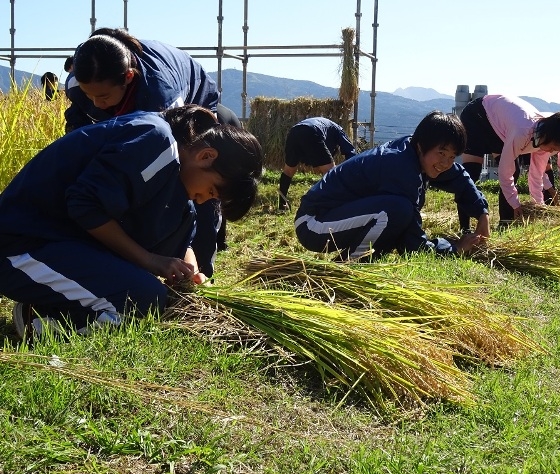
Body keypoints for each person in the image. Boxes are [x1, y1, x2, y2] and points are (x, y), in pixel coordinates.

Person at [0, 105, 262, 340]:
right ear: (206, 156)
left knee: (149, 297)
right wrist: (148, 259)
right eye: (213, 191)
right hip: (21, 245)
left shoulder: (178, 180)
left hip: (59, 245)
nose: (205, 200)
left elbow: (181, 238)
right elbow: (85, 205)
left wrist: (191, 273)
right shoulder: (156, 140)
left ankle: (61, 300)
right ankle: (43, 318)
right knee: (142, 301)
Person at [64, 28, 242, 277]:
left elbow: (167, 164)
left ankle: (197, 274)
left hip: (194, 103)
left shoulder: (159, 97)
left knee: (198, 190)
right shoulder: (81, 82)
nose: (96, 104)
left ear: (127, 77)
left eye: (103, 96)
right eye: (88, 95)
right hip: (135, 109)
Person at [294, 111, 489, 261]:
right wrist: (455, 248)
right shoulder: (400, 167)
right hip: (313, 223)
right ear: (422, 145)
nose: (446, 163)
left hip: (331, 218)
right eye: (442, 153)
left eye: (452, 157)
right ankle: (347, 268)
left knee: (396, 219)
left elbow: (460, 176)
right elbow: (415, 243)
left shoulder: (415, 152)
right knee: (397, 211)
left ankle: (351, 263)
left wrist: (482, 213)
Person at [458, 94, 560, 225]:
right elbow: (505, 173)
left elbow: (537, 174)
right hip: (477, 116)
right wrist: (515, 204)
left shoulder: (547, 137)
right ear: (548, 137)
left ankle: (506, 222)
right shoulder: (523, 132)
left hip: (500, 129)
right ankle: (465, 227)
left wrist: (539, 206)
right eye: (553, 147)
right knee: (472, 172)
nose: (551, 152)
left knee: (515, 171)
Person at [278, 117, 357, 210]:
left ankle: (282, 205)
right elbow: (351, 153)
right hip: (312, 131)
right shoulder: (339, 130)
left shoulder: (328, 128)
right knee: (331, 172)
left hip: (294, 131)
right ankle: (333, 204)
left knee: (288, 171)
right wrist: (354, 173)